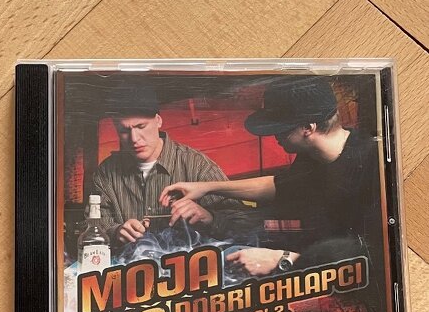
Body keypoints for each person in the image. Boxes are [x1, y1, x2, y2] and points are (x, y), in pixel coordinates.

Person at [160, 75, 383, 278]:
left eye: (280, 128)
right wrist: (206, 187)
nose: (274, 135)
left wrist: (283, 259)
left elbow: (372, 255)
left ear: (308, 127)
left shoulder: (374, 165)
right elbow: (281, 185)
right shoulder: (312, 155)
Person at [90, 79, 254, 250]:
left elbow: (245, 225)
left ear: (158, 120)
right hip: (131, 266)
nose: (134, 139)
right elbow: (92, 226)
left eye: (141, 126)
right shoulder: (105, 174)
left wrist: (209, 217)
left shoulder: (198, 166)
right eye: (124, 130)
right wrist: (116, 232)